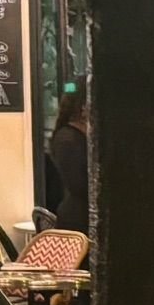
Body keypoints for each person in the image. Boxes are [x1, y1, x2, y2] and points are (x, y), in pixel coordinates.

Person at [46, 90, 92, 233]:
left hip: (82, 217)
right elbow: (78, 185)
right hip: (77, 221)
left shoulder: (75, 136)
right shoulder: (68, 139)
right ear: (83, 107)